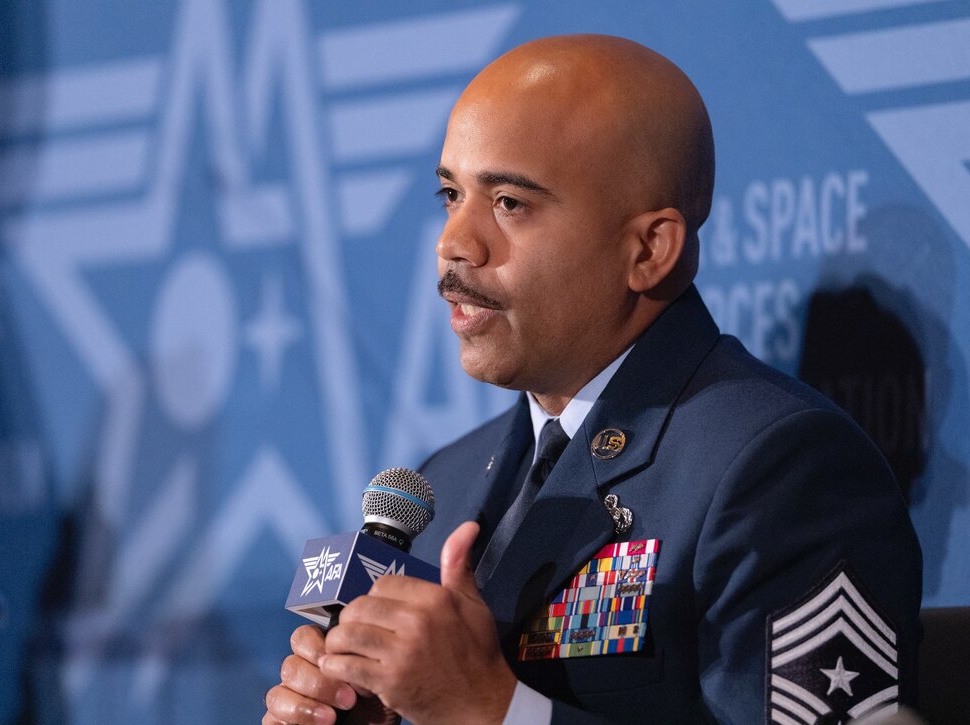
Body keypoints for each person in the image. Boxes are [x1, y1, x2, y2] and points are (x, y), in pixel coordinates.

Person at [263, 34, 921, 724]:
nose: (454, 241)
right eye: (450, 193)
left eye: (510, 202)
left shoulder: (779, 469)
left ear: (648, 249)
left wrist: (491, 708)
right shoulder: (447, 483)